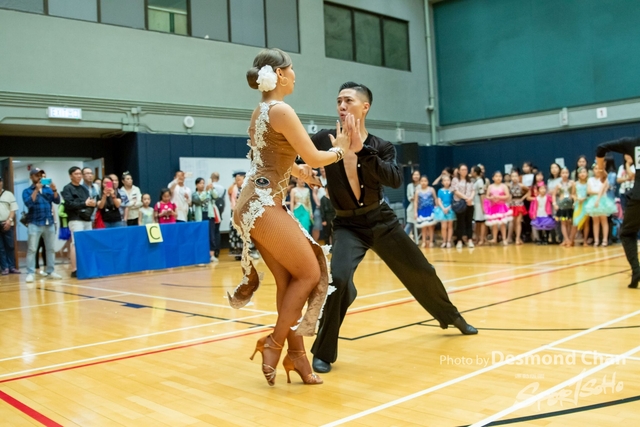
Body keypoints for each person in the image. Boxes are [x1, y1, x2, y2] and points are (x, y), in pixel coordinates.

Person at [301, 81, 476, 375]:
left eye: (348, 101)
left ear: (364, 107)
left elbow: (394, 179)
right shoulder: (325, 138)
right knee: (339, 280)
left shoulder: (381, 146)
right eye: (339, 101)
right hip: (347, 225)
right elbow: (295, 152)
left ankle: (452, 317)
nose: (341, 106)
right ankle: (323, 352)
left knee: (422, 271)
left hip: (381, 220)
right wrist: (302, 167)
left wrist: (362, 150)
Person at [227, 48, 354, 386]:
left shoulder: (262, 110)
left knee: (290, 281)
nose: (295, 74)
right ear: (280, 74)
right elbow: (314, 156)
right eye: (292, 68)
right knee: (311, 273)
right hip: (262, 204)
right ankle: (273, 343)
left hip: (255, 202)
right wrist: (341, 149)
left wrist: (299, 173)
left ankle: (297, 355)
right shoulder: (281, 110)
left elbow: (270, 156)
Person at [595, 137, 640, 288]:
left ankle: (636, 270)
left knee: (627, 234)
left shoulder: (633, 143)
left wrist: (601, 171)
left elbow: (601, 147)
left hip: (638, 196)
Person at [22, 168, 62, 283]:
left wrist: (54, 190)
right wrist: (36, 190)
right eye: (37, 175)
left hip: (49, 222)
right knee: (32, 249)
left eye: (41, 175)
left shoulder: (48, 189)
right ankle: (30, 273)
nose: (39, 177)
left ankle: (51, 271)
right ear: (31, 177)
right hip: (34, 223)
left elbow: (57, 201)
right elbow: (29, 203)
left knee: (50, 249)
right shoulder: (27, 191)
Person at [61, 166, 96, 278]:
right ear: (70, 176)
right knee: (75, 243)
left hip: (86, 218)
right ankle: (74, 269)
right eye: (76, 174)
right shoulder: (67, 188)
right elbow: (69, 204)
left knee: (88, 243)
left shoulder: (84, 189)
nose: (79, 176)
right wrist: (83, 204)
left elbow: (89, 202)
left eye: (80, 174)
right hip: (75, 219)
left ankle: (87, 266)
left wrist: (90, 204)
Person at [584, 165, 616, 247]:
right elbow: (589, 191)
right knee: (595, 222)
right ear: (593, 170)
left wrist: (598, 198)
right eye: (595, 168)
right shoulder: (590, 179)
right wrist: (597, 193)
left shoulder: (604, 179)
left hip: (602, 201)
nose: (597, 170)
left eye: (599, 169)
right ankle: (596, 240)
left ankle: (605, 240)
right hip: (592, 201)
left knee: (604, 221)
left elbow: (604, 190)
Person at [193, 177, 218, 260]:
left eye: (203, 183)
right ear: (196, 185)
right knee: (201, 236)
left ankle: (212, 255)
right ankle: (201, 254)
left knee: (211, 235)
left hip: (209, 215)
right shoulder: (194, 194)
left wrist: (212, 188)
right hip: (200, 217)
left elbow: (216, 196)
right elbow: (198, 200)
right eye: (200, 183)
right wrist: (205, 191)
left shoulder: (208, 192)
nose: (202, 185)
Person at [484, 171, 512, 245]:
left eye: (500, 176)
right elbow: (487, 196)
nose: (498, 178)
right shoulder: (490, 186)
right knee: (494, 224)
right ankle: (494, 238)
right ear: (493, 178)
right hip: (493, 207)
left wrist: (499, 197)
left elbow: (507, 195)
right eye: (496, 176)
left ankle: (504, 239)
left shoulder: (504, 186)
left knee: (502, 224)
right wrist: (491, 198)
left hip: (501, 207)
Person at [451, 164, 475, 249]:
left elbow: (473, 190)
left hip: (469, 203)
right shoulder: (455, 180)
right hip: (460, 203)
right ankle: (459, 240)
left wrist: (470, 198)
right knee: (460, 223)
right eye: (462, 169)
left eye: (466, 169)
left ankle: (470, 240)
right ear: (459, 171)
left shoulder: (470, 180)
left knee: (469, 222)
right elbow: (455, 191)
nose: (464, 171)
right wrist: (466, 198)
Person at [0, 176, 20, 275]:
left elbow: (13, 209)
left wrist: (9, 220)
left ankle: (12, 267)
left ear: (2, 182)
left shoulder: (9, 194)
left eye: (0, 181)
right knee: (0, 248)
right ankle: (5, 268)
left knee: (10, 246)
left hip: (8, 223)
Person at [553, 167, 575, 247]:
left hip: (569, 206)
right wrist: (555, 204)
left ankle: (568, 239)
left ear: (568, 174)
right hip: (561, 206)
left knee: (569, 222)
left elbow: (574, 194)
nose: (565, 175)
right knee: (563, 223)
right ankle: (566, 239)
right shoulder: (558, 185)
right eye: (563, 173)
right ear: (560, 174)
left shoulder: (572, 183)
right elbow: (554, 195)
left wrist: (574, 203)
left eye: (566, 173)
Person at [414, 175, 437, 248]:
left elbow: (435, 199)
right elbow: (415, 202)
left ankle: (431, 241)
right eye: (422, 181)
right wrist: (415, 212)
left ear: (428, 182)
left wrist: (436, 208)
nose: (423, 182)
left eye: (425, 181)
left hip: (430, 210)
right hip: (421, 211)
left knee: (430, 227)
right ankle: (424, 241)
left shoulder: (431, 189)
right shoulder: (417, 191)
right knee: (423, 227)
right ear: (420, 182)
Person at [433, 174, 456, 248]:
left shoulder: (452, 190)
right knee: (443, 226)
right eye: (445, 180)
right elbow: (439, 200)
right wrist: (443, 208)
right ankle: (444, 241)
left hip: (450, 208)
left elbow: (453, 200)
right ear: (442, 182)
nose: (446, 182)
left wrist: (448, 208)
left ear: (450, 181)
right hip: (442, 209)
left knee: (450, 226)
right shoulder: (440, 191)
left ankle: (449, 241)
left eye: (448, 180)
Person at [207, 172, 225, 260]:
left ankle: (212, 251)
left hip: (212, 210)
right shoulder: (222, 188)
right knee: (217, 231)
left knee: (211, 231)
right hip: (219, 211)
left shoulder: (209, 187)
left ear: (211, 178)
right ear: (218, 178)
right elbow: (223, 201)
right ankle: (217, 250)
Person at [508, 170, 529, 245]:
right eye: (512, 176)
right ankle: (518, 238)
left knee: (518, 222)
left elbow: (529, 191)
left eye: (516, 176)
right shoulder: (509, 186)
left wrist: (523, 198)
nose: (514, 178)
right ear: (510, 177)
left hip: (519, 204)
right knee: (513, 222)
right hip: (512, 204)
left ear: (518, 177)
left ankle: (517, 238)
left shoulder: (521, 185)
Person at [572, 167, 590, 246]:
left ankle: (585, 240)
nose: (582, 174)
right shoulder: (575, 184)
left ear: (587, 174)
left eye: (584, 172)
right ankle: (572, 240)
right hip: (578, 205)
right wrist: (576, 198)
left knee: (586, 223)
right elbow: (573, 194)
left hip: (586, 204)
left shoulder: (589, 183)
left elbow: (590, 194)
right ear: (578, 174)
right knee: (575, 222)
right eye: (580, 172)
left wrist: (585, 198)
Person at [471, 166, 487, 246]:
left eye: (471, 171)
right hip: (475, 203)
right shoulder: (476, 181)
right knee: (477, 222)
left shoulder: (480, 181)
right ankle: (477, 238)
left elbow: (482, 194)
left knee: (482, 222)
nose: (470, 173)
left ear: (475, 172)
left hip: (479, 204)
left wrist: (483, 206)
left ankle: (482, 239)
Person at [405, 170, 420, 241]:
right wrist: (412, 198)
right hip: (411, 207)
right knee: (409, 224)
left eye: (417, 175)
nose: (416, 176)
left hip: (420, 207)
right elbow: (408, 197)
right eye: (414, 175)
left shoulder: (421, 184)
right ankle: (403, 239)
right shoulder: (409, 186)